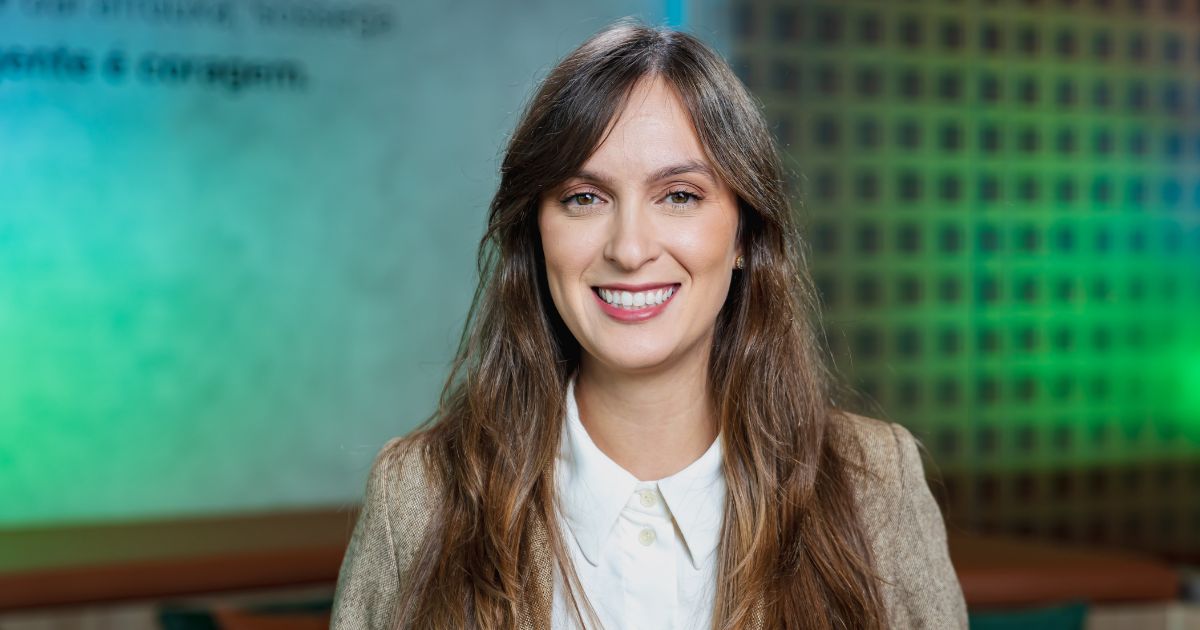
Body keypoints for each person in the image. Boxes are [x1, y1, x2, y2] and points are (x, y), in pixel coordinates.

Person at [331, 19, 968, 630]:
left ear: (744, 233)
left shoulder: (874, 484)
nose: (630, 249)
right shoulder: (418, 495)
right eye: (584, 198)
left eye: (680, 195)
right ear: (537, 232)